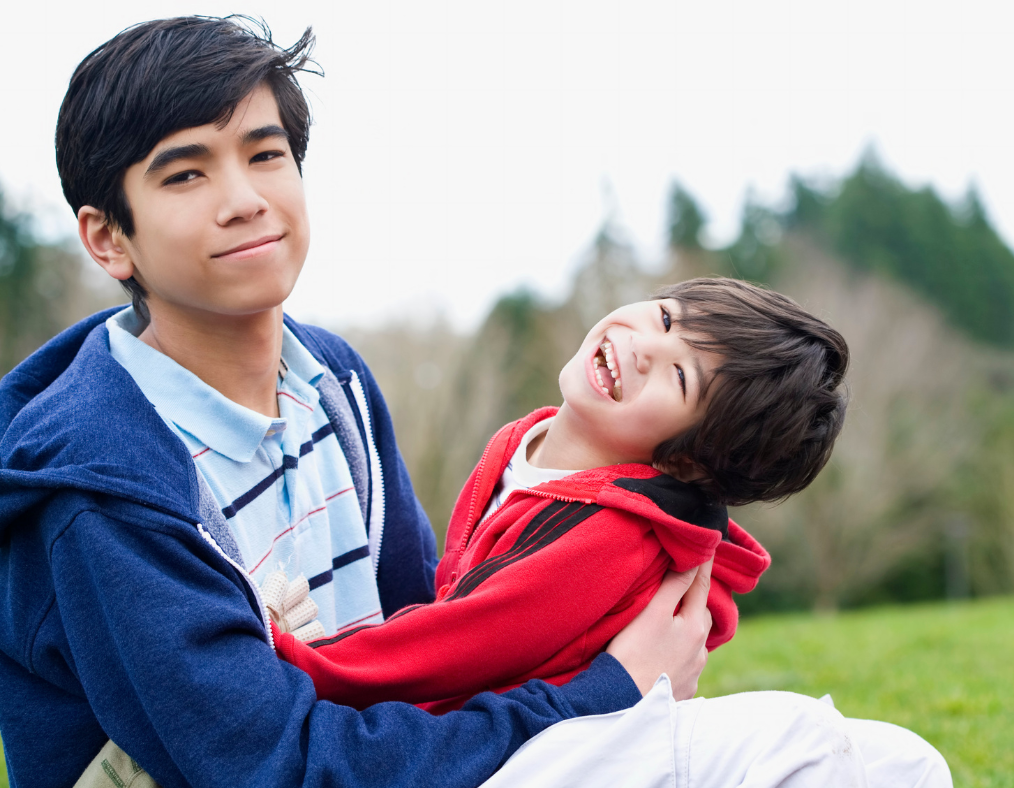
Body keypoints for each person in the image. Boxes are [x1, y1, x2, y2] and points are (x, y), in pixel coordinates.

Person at [0, 15, 951, 788]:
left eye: (266, 153)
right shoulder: (100, 487)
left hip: (398, 761)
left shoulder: (331, 381)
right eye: (186, 173)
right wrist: (605, 692)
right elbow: (273, 766)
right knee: (819, 757)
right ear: (108, 240)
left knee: (879, 761)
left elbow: (436, 626)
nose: (245, 198)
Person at [274, 278, 844, 714]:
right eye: (666, 319)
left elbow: (459, 644)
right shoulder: (527, 440)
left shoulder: (609, 541)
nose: (646, 347)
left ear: (684, 461)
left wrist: (286, 658)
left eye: (679, 378)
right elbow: (457, 595)